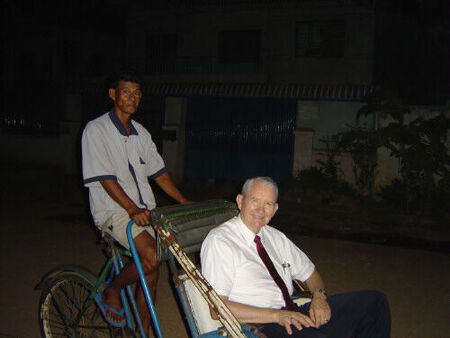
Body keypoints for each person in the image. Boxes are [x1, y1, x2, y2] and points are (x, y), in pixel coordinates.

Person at [201, 177, 391, 337]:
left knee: (374, 303)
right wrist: (276, 316)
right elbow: (218, 308)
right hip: (261, 326)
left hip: (294, 314)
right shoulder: (221, 241)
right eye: (255, 201)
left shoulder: (274, 237)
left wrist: (319, 296)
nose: (261, 210)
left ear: (275, 210)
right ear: (240, 201)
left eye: (267, 204)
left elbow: (311, 274)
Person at [81, 69, 191, 332]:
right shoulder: (96, 130)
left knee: (151, 273)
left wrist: (183, 201)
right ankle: (112, 290)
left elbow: (159, 173)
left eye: (137, 93)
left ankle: (142, 332)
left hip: (146, 211)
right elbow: (106, 178)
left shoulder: (140, 133)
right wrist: (131, 208)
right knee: (152, 256)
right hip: (114, 211)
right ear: (113, 95)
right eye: (126, 92)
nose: (132, 97)